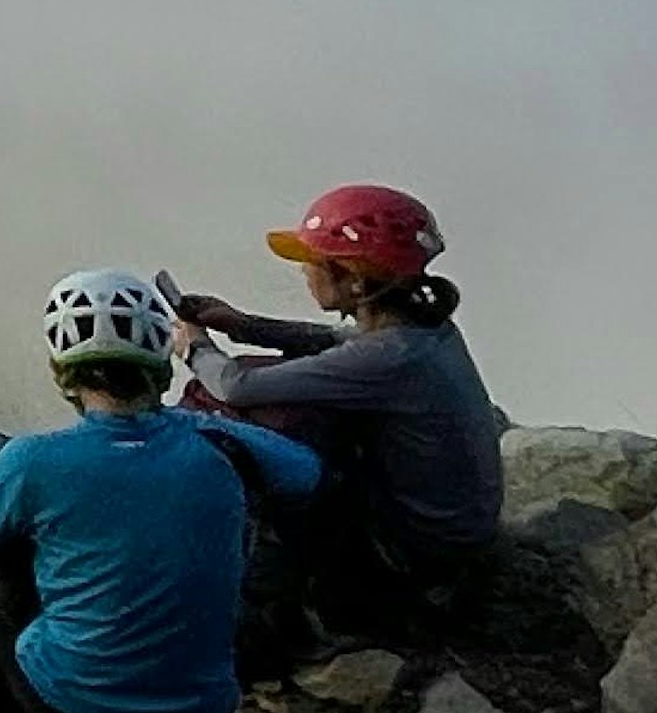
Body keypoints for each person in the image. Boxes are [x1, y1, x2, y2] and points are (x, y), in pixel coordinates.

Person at [0, 270, 322, 713]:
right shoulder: (217, 443)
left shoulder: (30, 460)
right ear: (158, 364)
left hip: (77, 710)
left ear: (63, 372)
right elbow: (305, 473)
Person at [159, 181, 503, 649]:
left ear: (357, 281)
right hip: (453, 530)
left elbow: (238, 385)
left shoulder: (391, 358)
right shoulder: (423, 330)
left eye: (314, 261)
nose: (303, 270)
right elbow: (337, 344)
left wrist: (196, 346)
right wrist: (241, 323)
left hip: (413, 550)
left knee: (247, 419)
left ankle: (277, 597)